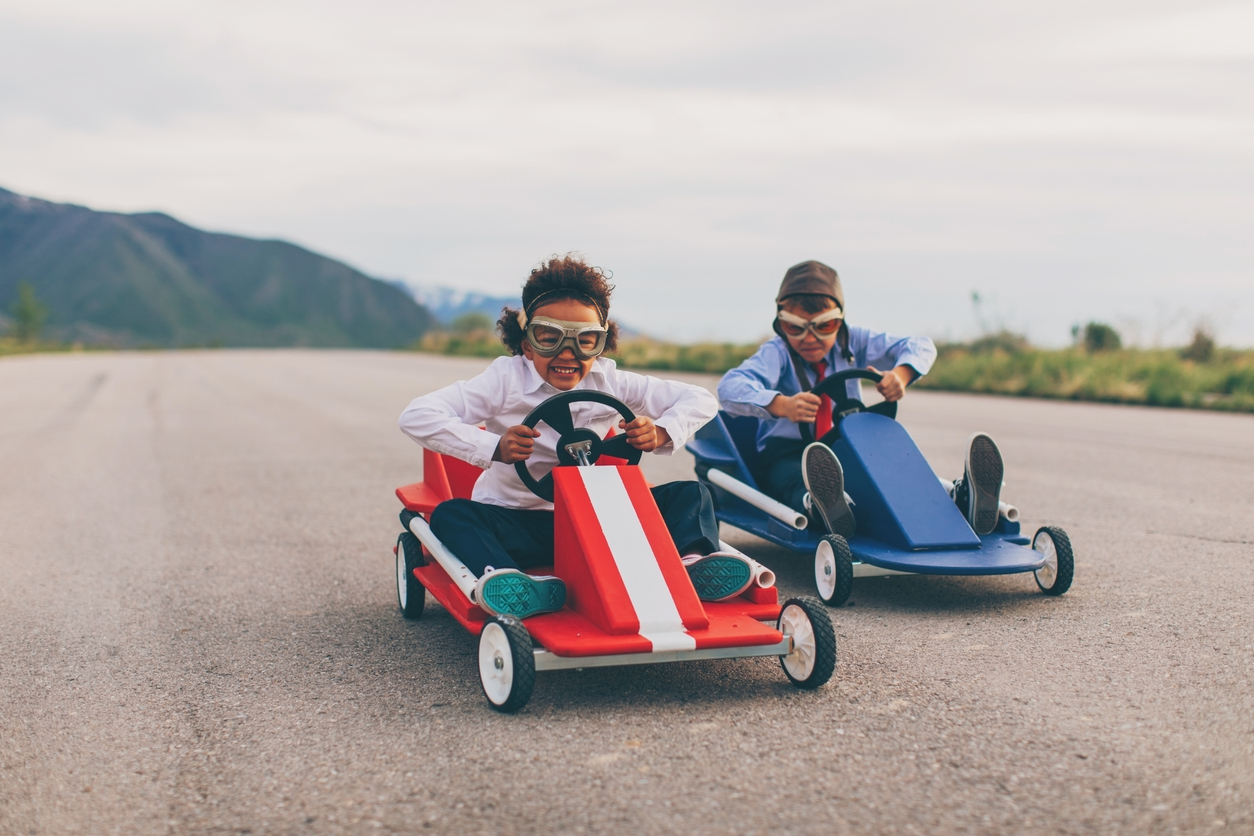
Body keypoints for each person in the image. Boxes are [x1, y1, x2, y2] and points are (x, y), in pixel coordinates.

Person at [399, 255, 754, 620]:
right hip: (517, 522)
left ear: (600, 344)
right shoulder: (505, 380)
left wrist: (662, 431)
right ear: (527, 344)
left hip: (598, 521)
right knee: (451, 515)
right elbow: (416, 416)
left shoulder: (609, 380)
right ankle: (508, 581)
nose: (567, 354)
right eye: (549, 338)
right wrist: (495, 448)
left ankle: (690, 564)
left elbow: (699, 399)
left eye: (585, 341)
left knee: (691, 494)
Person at [717, 260, 1005, 538]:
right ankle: (819, 503)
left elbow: (920, 345)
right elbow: (730, 387)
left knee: (891, 470)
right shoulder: (776, 353)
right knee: (791, 477)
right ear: (781, 324)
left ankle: (959, 498)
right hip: (789, 451)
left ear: (839, 321)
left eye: (824, 327)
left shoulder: (855, 340)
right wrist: (782, 405)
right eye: (796, 328)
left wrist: (900, 375)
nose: (809, 338)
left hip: (847, 444)